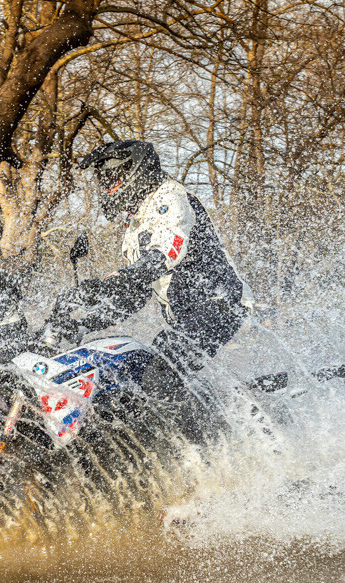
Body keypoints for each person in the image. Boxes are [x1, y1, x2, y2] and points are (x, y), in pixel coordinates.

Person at [45, 139, 252, 441]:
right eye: (103, 181)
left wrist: (114, 280)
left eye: (113, 179)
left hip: (221, 304)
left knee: (161, 372)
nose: (107, 188)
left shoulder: (171, 197)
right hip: (186, 318)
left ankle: (205, 449)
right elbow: (134, 295)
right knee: (134, 371)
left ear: (137, 170)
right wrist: (84, 322)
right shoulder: (135, 227)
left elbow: (165, 254)